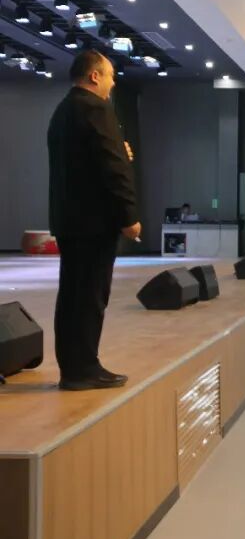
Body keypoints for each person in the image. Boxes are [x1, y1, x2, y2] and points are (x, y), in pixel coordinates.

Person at [48, 50, 140, 391]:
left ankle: (72, 368)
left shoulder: (63, 110)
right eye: (110, 75)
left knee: (72, 296)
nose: (113, 83)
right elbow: (112, 168)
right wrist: (129, 216)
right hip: (93, 223)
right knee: (90, 297)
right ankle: (84, 368)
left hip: (70, 220)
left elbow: (87, 159)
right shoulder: (95, 108)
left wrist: (119, 151)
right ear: (94, 76)